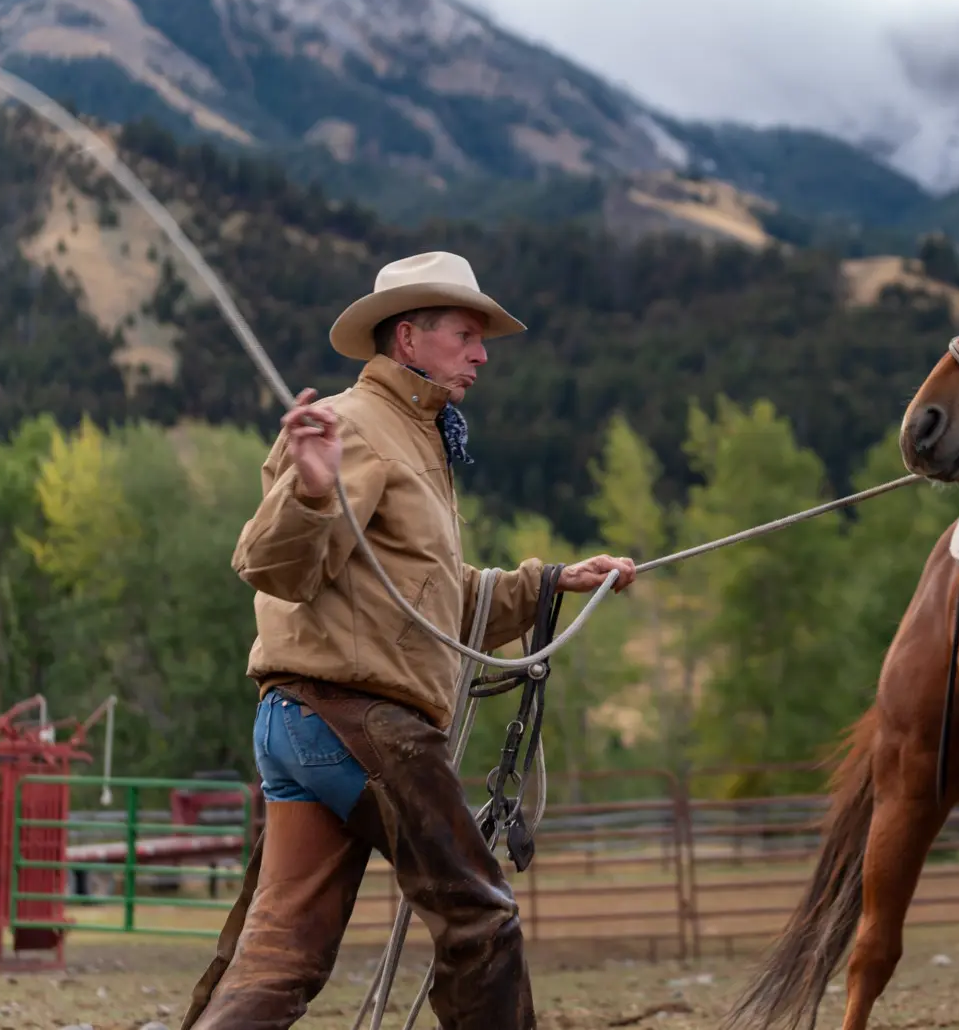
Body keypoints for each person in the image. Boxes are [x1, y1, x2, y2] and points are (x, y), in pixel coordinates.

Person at [183, 251, 636, 1030]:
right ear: (407, 339)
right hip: (356, 722)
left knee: (281, 956)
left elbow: (434, 598)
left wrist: (552, 583)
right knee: (481, 917)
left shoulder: (416, 436)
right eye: (465, 334)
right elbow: (270, 566)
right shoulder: (357, 428)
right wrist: (314, 489)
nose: (482, 353)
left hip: (304, 723)